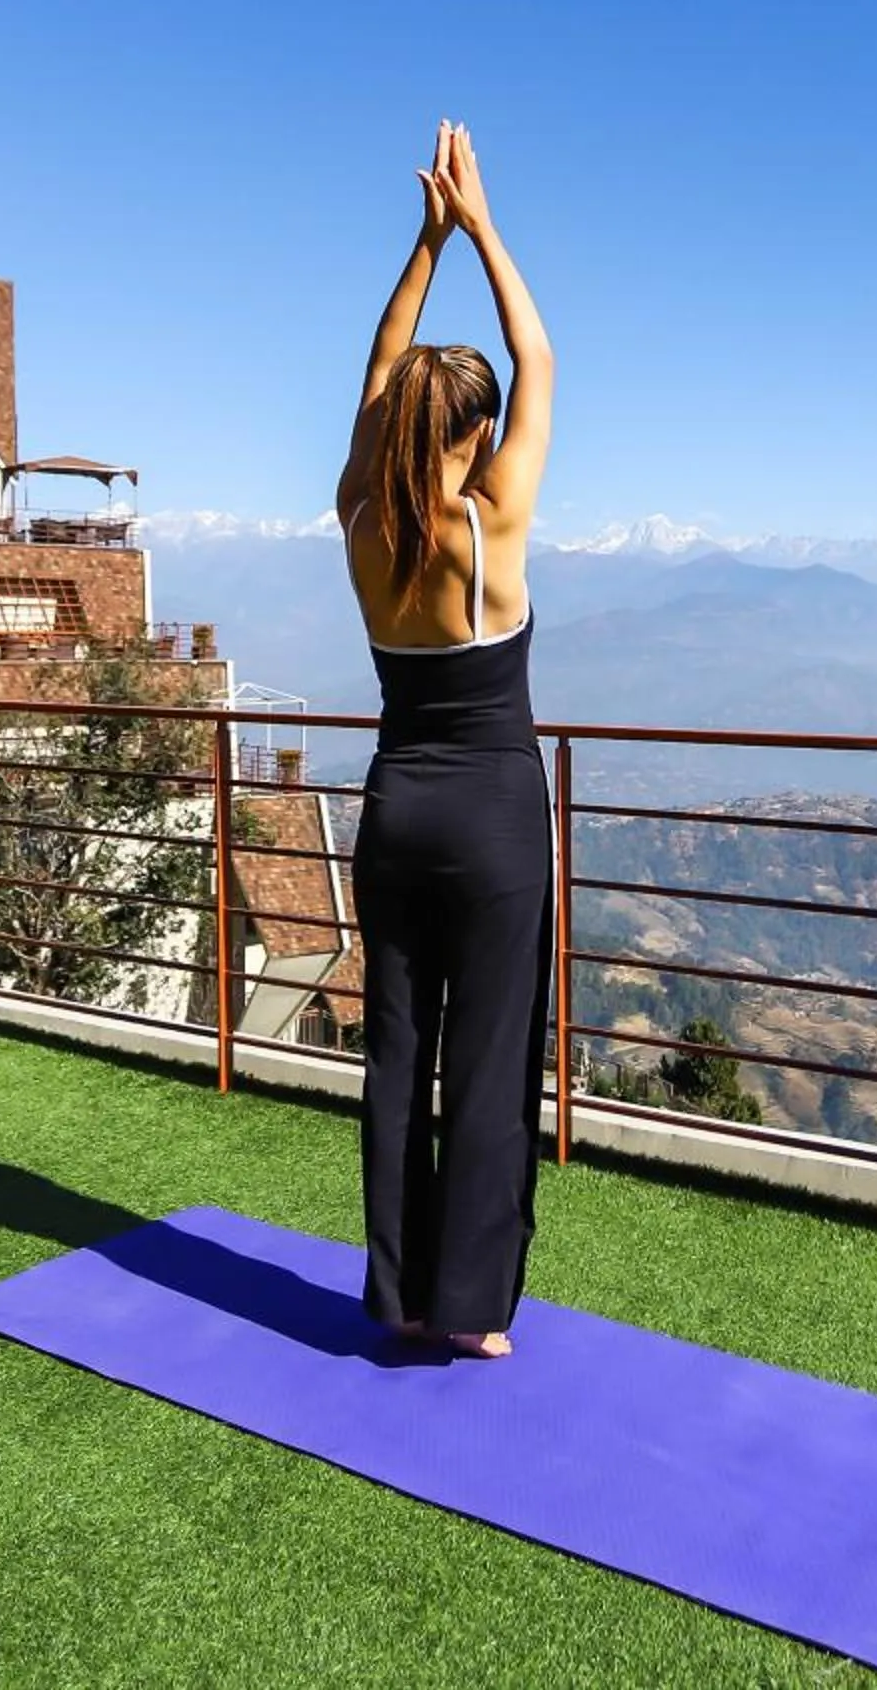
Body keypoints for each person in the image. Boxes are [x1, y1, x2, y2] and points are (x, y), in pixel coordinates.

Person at [335, 121, 557, 1360]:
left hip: (393, 811)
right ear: (474, 431)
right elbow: (538, 353)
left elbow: (378, 378)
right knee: (484, 1066)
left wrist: (418, 250)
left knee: (396, 1052)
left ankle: (400, 1295)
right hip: (493, 817)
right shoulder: (495, 525)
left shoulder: (364, 519)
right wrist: (477, 228)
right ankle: (468, 1317)